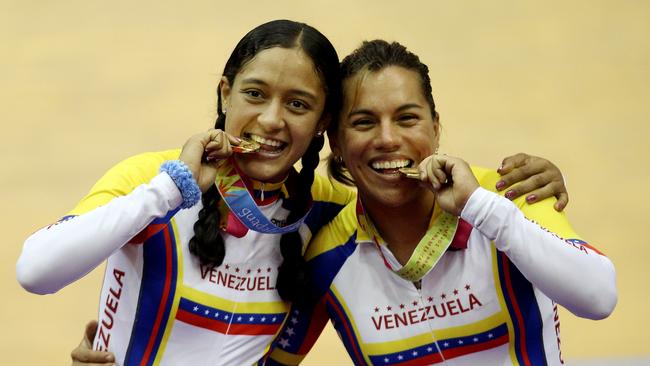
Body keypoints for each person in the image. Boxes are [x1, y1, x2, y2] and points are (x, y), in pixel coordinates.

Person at [21, 21, 569, 365]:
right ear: (225, 92)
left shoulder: (328, 205)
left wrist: (524, 182)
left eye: (299, 105)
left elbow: (402, 170)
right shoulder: (153, 178)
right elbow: (37, 271)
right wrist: (173, 188)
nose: (272, 120)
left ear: (322, 124)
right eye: (255, 94)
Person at [261, 40, 617, 366]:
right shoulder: (326, 258)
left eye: (407, 118)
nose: (387, 138)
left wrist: (479, 206)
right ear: (336, 143)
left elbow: (599, 298)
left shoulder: (506, 194)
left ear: (435, 127)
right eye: (364, 122)